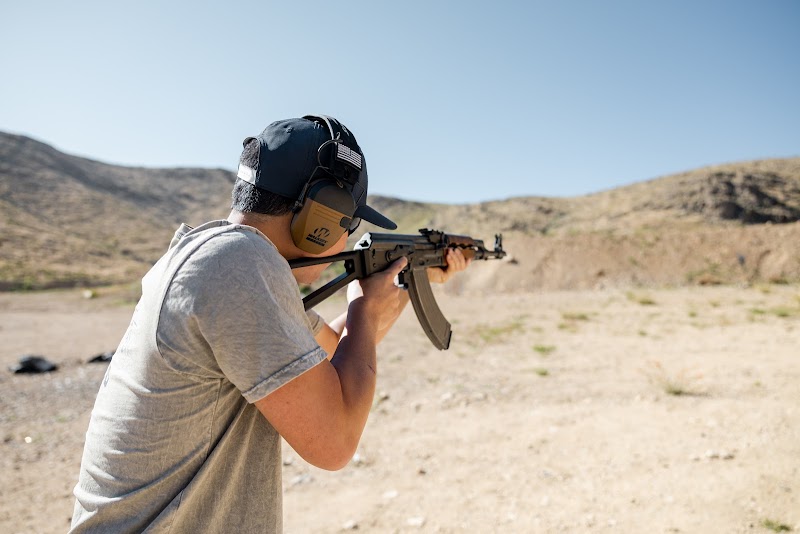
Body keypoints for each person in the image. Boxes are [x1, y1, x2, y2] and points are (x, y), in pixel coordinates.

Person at [70, 115, 468, 532]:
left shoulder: (219, 257)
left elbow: (335, 354)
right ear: (322, 217)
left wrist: (403, 285)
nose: (348, 239)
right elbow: (335, 442)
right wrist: (364, 312)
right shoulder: (239, 267)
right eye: (348, 223)